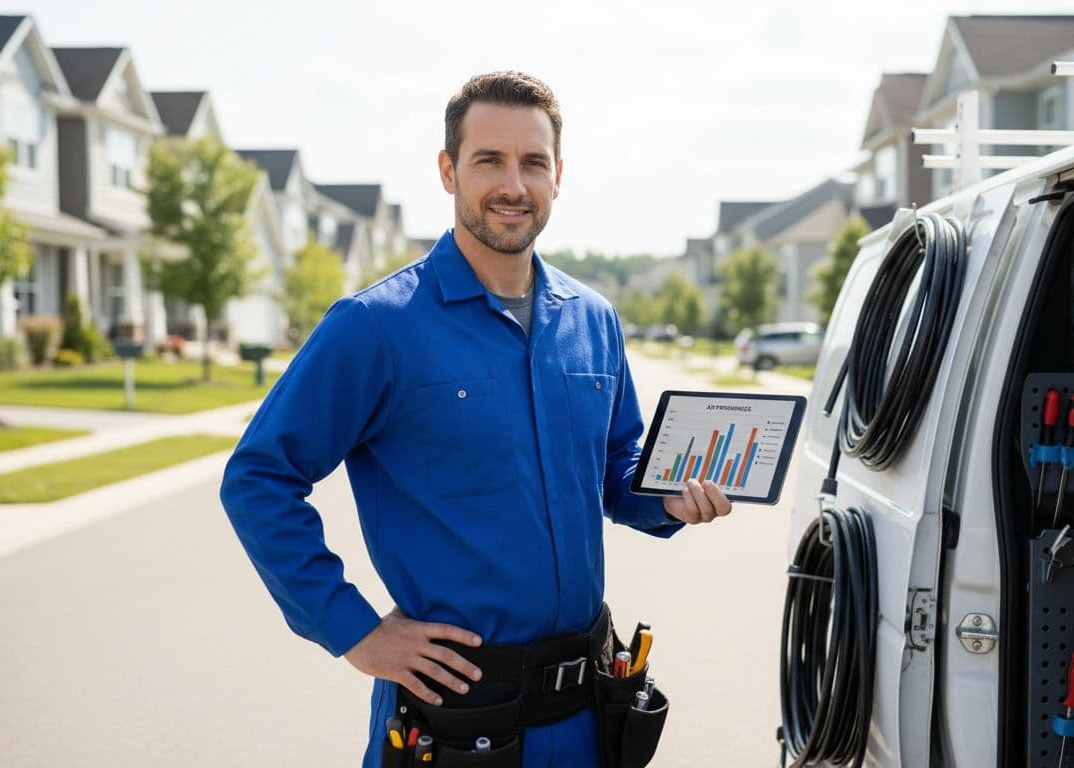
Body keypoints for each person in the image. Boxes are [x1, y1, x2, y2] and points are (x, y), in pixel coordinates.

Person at [220, 70, 732, 767]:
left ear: (558, 176)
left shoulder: (594, 321)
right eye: (488, 160)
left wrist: (668, 497)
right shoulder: (375, 327)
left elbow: (615, 470)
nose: (512, 185)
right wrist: (354, 630)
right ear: (448, 170)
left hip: (588, 713)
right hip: (457, 720)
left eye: (533, 163)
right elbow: (258, 477)